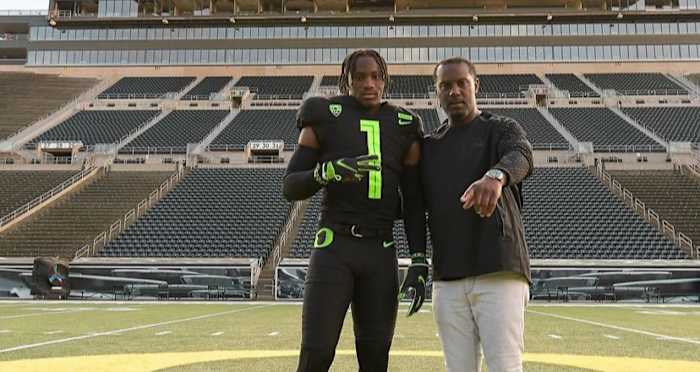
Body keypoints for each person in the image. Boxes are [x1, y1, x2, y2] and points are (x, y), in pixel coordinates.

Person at [282, 49, 426, 372]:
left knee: (375, 358)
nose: (368, 83)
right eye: (359, 76)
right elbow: (290, 185)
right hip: (335, 246)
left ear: (386, 80)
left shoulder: (404, 124)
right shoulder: (324, 114)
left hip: (381, 249)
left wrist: (419, 259)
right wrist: (328, 171)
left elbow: (415, 201)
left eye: (376, 76)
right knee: (316, 354)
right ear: (346, 80)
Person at [404, 57, 533, 372]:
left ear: (475, 85)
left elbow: (523, 156)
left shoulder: (500, 128)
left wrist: (496, 176)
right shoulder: (429, 146)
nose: (455, 91)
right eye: (445, 85)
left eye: (462, 83)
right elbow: (414, 207)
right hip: (448, 276)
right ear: (437, 93)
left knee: (505, 367)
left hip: (498, 270)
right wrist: (418, 259)